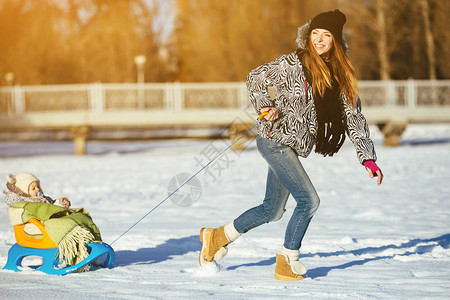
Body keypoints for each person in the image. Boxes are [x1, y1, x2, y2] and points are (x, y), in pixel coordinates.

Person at [199, 9, 384, 281]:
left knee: (271, 210)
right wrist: (266, 106)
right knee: (309, 201)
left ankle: (216, 237)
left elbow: (353, 117)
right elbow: (255, 77)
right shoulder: (292, 64)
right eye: (315, 33)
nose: (319, 40)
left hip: (293, 149)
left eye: (326, 35)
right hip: (274, 141)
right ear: (308, 35)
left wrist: (367, 158)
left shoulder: (342, 75)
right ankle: (288, 259)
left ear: (336, 40)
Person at [4, 172, 71, 208]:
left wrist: (61, 202)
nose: (38, 189)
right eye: (33, 188)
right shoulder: (27, 203)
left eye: (38, 186)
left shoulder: (44, 199)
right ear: (25, 193)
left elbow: (53, 204)